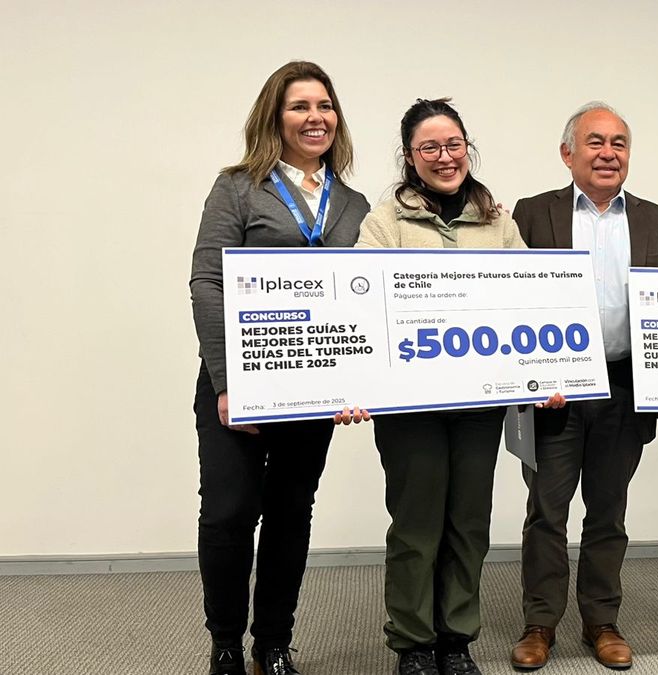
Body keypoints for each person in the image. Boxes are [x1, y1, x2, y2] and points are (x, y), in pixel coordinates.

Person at [355, 98, 563, 675]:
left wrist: (547, 374)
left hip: (479, 403)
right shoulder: (384, 222)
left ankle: (456, 637)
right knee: (417, 525)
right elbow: (362, 308)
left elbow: (531, 300)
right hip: (411, 406)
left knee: (469, 523)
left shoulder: (498, 221)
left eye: (454, 146)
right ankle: (413, 643)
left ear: (468, 149)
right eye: (430, 148)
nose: (445, 158)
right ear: (409, 156)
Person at [189, 61, 370, 675]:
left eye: (325, 106)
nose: (314, 117)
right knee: (230, 512)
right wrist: (227, 383)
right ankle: (225, 644)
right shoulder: (239, 186)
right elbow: (208, 281)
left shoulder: (354, 202)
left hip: (314, 387)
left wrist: (356, 383)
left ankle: (273, 643)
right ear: (276, 115)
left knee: (291, 513)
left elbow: (369, 296)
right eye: (300, 106)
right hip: (237, 385)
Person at [508, 101, 658, 671]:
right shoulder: (531, 214)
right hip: (553, 392)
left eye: (619, 143)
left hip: (625, 388)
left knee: (608, 511)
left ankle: (601, 620)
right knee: (546, 511)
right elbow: (510, 304)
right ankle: (541, 623)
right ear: (568, 153)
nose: (608, 153)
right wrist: (526, 378)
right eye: (595, 142)